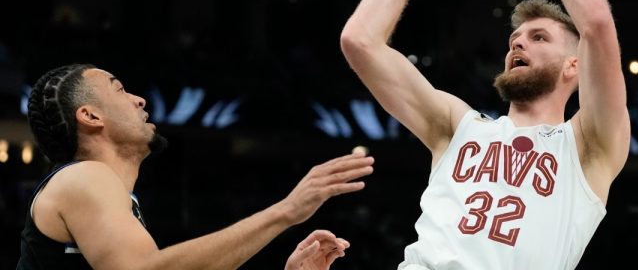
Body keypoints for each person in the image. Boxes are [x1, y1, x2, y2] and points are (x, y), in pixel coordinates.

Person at [339, 0, 630, 270]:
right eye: (514, 38)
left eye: (538, 37)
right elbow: (359, 41)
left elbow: (598, 24)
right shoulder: (457, 126)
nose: (517, 44)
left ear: (575, 65)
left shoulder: (588, 146)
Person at [17, 63, 375, 270]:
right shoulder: (83, 176)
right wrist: (286, 211)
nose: (139, 99)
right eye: (121, 90)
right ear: (90, 115)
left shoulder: (112, 201)